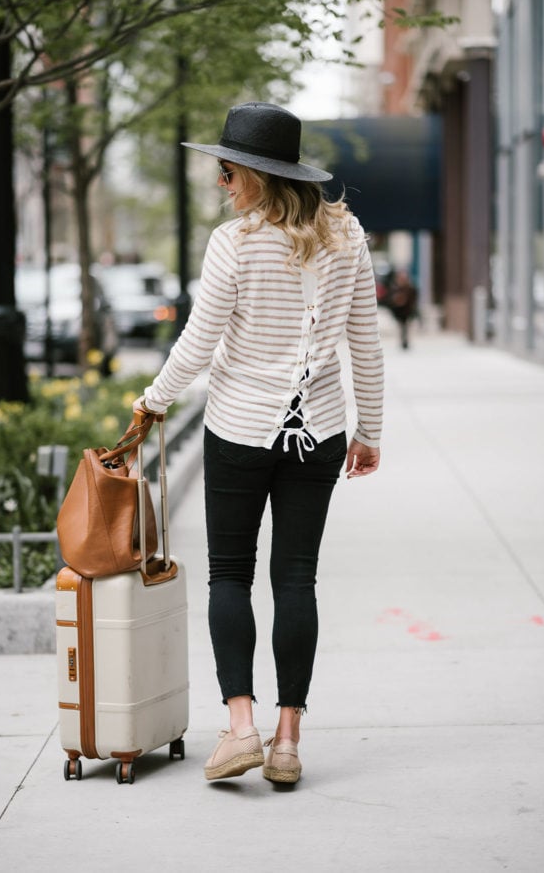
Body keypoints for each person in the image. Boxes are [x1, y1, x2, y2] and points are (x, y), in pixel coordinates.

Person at [134, 102, 384, 785]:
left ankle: (240, 727)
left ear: (257, 175)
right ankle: (286, 742)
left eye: (226, 171)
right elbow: (366, 343)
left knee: (230, 574)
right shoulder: (349, 236)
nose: (221, 184)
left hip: (241, 430)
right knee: (296, 578)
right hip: (321, 434)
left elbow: (197, 344)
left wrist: (149, 404)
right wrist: (371, 430)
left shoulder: (235, 242)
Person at [385, 268, 417, 349]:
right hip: (399, 312)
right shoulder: (394, 288)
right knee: (401, 327)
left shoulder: (410, 288)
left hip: (407, 312)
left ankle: (406, 342)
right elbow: (389, 300)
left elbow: (413, 300)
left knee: (407, 327)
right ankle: (402, 342)